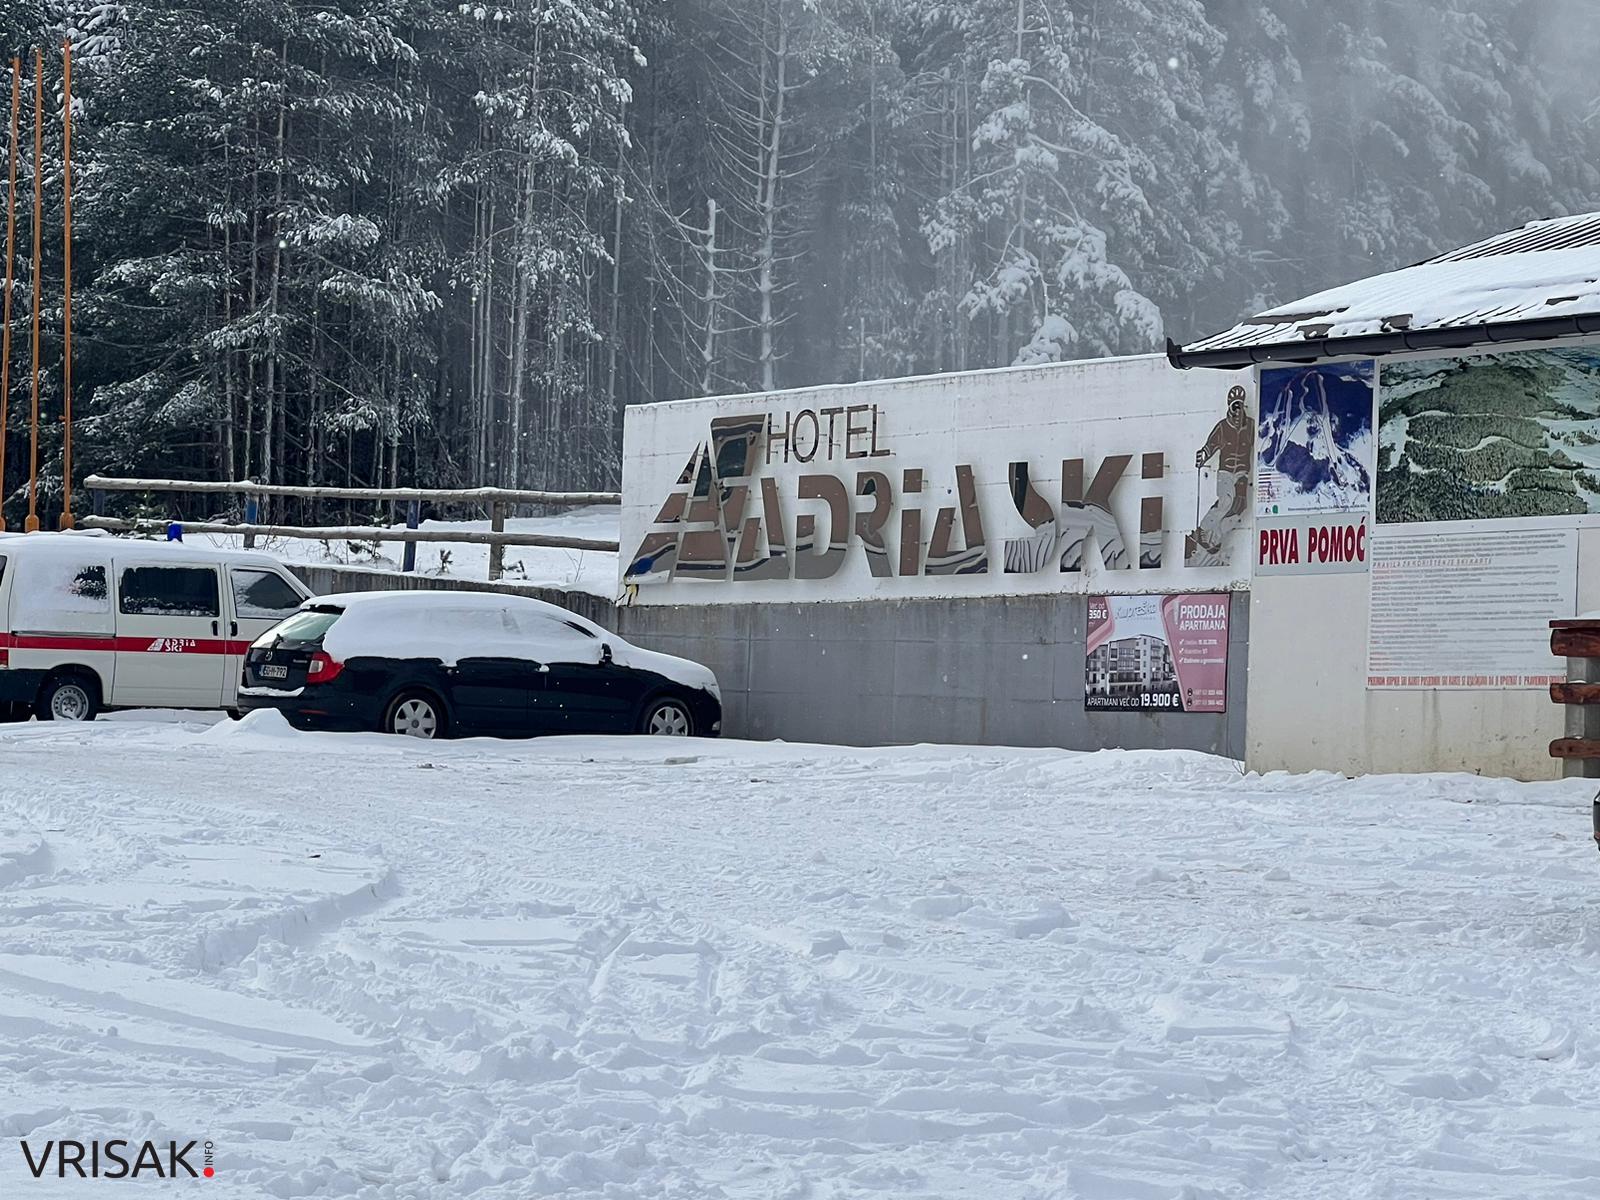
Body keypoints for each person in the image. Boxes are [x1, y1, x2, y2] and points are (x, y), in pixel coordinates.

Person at [1192, 386, 1252, 556]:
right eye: (1234, 406)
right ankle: (1203, 529)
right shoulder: (1223, 427)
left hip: (1242, 472)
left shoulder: (1250, 426)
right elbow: (1211, 446)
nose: (1237, 411)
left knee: (1240, 506)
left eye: (1240, 406)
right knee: (1226, 500)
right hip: (1225, 471)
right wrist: (1202, 456)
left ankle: (1215, 538)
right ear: (1229, 407)